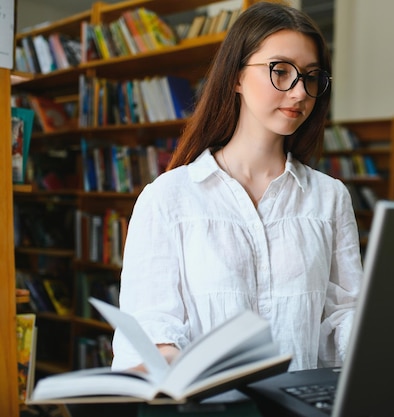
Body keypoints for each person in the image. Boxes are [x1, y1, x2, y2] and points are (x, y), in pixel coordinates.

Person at [110, 2, 363, 372]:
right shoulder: (168, 198)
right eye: (280, 71)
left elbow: (344, 316)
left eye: (311, 77)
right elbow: (150, 330)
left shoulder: (329, 198)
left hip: (301, 406)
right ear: (236, 77)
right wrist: (171, 366)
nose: (299, 93)